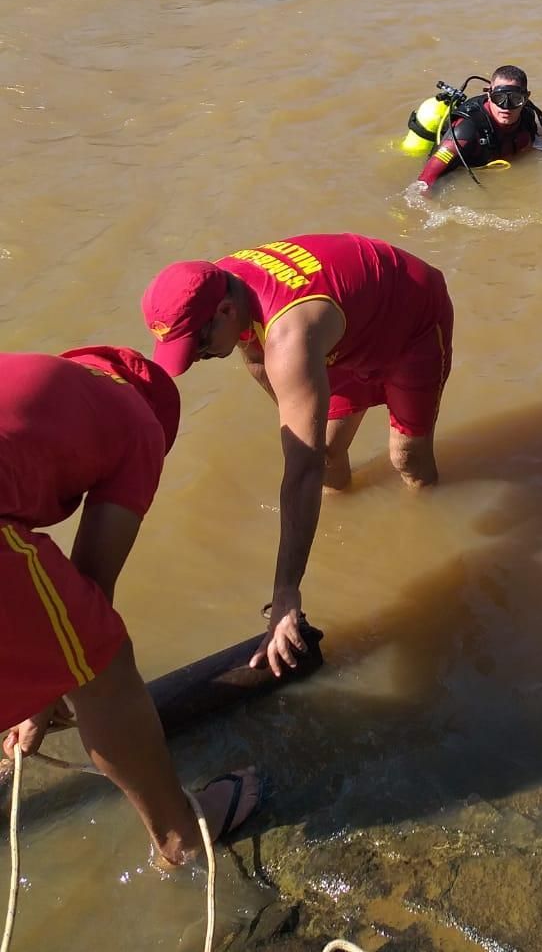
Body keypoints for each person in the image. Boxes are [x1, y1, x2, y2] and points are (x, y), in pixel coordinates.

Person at [141, 234, 454, 676]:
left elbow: (300, 470)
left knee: (407, 458)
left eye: (198, 344)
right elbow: (265, 373)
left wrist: (286, 594)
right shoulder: (218, 284)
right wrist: (301, 424)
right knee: (325, 452)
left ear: (226, 312)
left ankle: (430, 538)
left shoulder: (289, 336)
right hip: (348, 330)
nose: (197, 358)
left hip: (413, 322)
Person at [1, 345, 260, 866]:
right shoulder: (140, 423)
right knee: (104, 663)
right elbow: (93, 588)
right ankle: (179, 837)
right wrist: (48, 692)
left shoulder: (47, 377)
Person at [417, 66, 542, 188]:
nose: (506, 107)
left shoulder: (527, 116)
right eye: (499, 98)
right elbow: (424, 182)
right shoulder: (465, 130)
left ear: (526, 97)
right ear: (489, 95)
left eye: (515, 99)